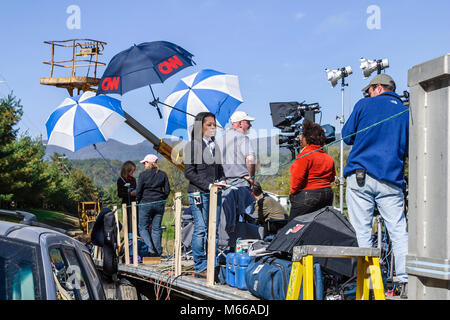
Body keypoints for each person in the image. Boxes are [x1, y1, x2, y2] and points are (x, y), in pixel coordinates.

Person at [342, 74, 409, 294]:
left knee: (363, 232)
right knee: (398, 230)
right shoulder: (406, 112)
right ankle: (404, 280)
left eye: (369, 90)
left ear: (378, 87)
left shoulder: (364, 104)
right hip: (391, 179)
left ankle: (370, 283)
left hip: (361, 176)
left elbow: (346, 136)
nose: (368, 94)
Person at [184, 112, 226, 277]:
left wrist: (222, 181)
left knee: (213, 230)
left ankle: (212, 264)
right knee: (200, 229)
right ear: (200, 127)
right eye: (209, 124)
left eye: (214, 124)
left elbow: (220, 170)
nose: (213, 127)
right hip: (198, 193)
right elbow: (189, 173)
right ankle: (200, 266)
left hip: (216, 193)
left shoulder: (215, 146)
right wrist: (209, 185)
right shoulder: (192, 146)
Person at [215, 110, 256, 243]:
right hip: (241, 185)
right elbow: (250, 159)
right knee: (244, 221)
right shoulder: (243, 138)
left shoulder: (220, 140)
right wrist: (252, 178)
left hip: (224, 186)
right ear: (239, 123)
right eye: (248, 122)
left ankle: (226, 251)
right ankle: (241, 253)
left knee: (226, 220)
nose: (250, 125)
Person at [289, 120, 336, 220]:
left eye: (302, 136)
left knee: (293, 227)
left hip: (309, 195)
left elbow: (296, 180)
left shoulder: (304, 156)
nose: (300, 139)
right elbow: (331, 178)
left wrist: (293, 194)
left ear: (307, 138)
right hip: (327, 194)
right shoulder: (328, 158)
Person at [135, 154, 170, 257]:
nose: (144, 165)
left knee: (142, 228)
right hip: (159, 204)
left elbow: (138, 191)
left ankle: (151, 249)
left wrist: (138, 200)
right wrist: (162, 199)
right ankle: (158, 252)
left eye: (145, 162)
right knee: (156, 228)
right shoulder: (163, 174)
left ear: (149, 163)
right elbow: (167, 190)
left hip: (145, 203)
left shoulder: (143, 175)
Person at [117, 161, 137, 232]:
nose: (133, 172)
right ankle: (129, 236)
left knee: (135, 221)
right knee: (128, 222)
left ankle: (136, 236)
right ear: (127, 170)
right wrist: (129, 194)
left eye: (133, 171)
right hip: (125, 204)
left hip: (134, 203)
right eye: (132, 171)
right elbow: (120, 194)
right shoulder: (120, 180)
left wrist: (135, 193)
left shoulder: (133, 180)